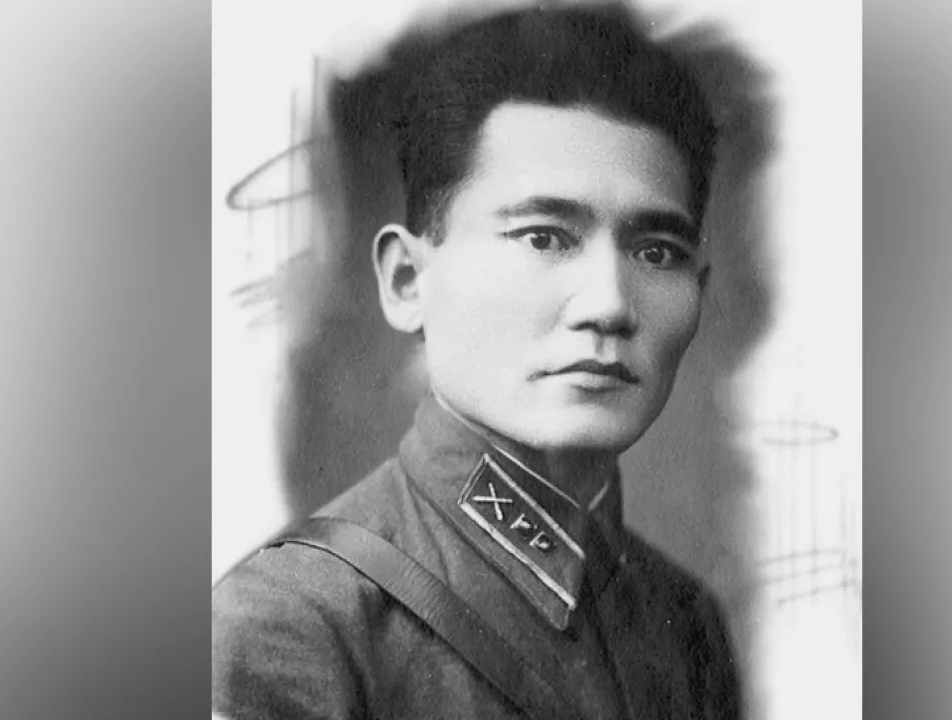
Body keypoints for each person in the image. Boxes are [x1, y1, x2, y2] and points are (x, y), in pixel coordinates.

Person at [213, 5, 743, 718]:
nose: (610, 304)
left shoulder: (686, 624)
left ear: (699, 290)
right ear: (407, 281)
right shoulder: (295, 621)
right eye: (543, 236)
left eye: (656, 252)